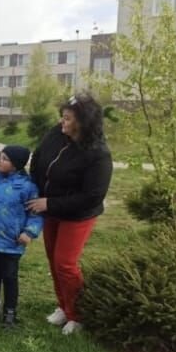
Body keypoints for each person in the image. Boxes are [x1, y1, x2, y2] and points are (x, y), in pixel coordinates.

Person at [28, 93, 113, 335]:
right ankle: (64, 306)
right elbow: (38, 157)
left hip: (78, 214)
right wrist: (36, 186)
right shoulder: (57, 133)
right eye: (62, 117)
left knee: (65, 263)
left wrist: (50, 203)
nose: (62, 122)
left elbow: (92, 196)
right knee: (53, 261)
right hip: (50, 207)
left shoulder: (99, 154)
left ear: (83, 122)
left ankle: (78, 315)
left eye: (67, 118)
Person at [0, 145, 43, 327]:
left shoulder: (27, 187)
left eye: (5, 159)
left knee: (9, 276)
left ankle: (10, 310)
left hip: (12, 241)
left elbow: (35, 214)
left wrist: (29, 232)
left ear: (16, 165)